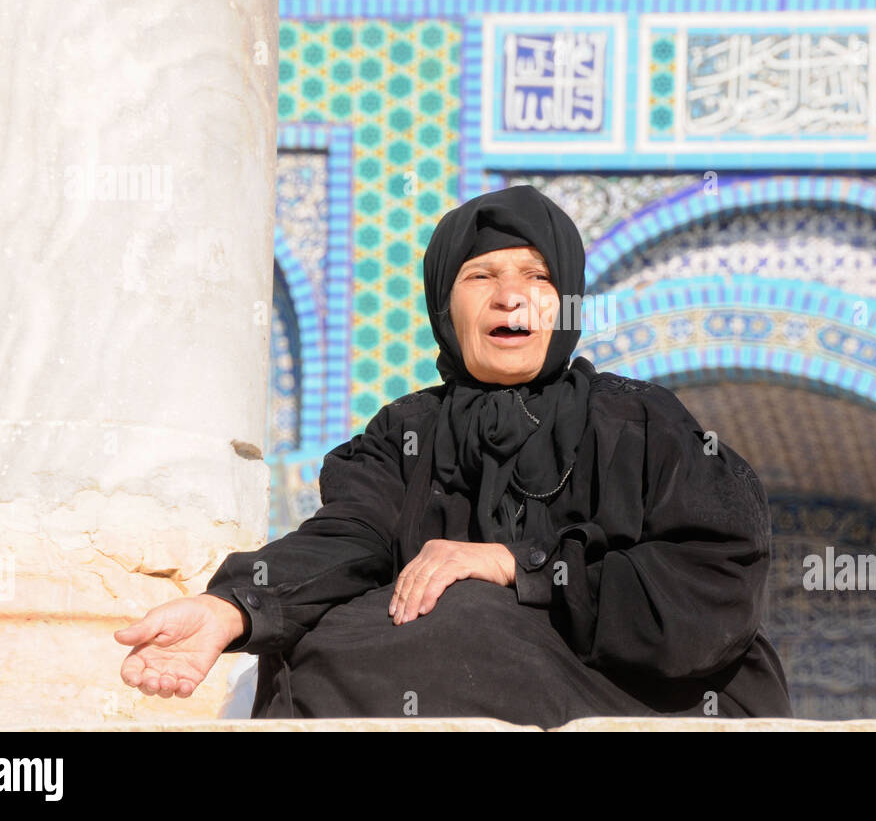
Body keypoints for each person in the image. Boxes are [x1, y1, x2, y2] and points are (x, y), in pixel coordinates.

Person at [115, 184, 792, 725]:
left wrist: (517, 566)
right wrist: (231, 607)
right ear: (446, 302)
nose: (510, 295)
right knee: (310, 640)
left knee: (464, 613)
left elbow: (718, 577)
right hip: (457, 671)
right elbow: (347, 539)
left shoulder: (639, 422)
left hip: (650, 695)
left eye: (537, 275)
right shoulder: (404, 433)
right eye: (481, 275)